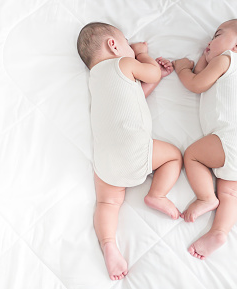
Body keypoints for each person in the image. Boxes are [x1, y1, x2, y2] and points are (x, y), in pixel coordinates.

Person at [77, 22, 182, 280]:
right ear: (114, 46)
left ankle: (109, 245)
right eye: (126, 43)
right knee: (174, 156)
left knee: (107, 203)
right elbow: (152, 74)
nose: (130, 49)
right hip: (135, 149)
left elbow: (133, 98)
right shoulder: (123, 63)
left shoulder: (95, 79)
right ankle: (157, 194)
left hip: (106, 162)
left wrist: (152, 77)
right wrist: (143, 55)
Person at [172, 19, 237, 260]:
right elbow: (205, 77)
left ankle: (205, 198)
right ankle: (219, 231)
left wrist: (183, 68)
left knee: (192, 155)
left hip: (230, 140)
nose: (210, 42)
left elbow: (196, 84)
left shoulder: (229, 59)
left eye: (217, 35)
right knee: (230, 195)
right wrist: (204, 59)